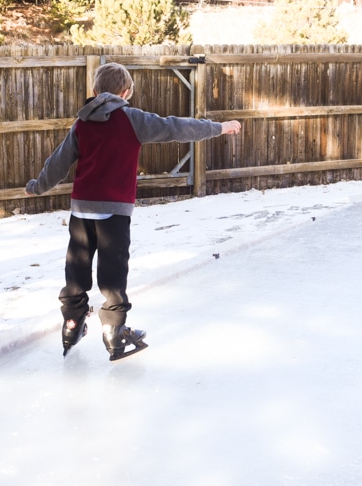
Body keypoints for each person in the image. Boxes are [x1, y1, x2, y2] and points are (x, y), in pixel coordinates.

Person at [26, 62, 241, 360]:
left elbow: (58, 164)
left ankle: (72, 323)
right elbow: (176, 127)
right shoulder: (132, 119)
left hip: (81, 212)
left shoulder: (82, 123)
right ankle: (114, 333)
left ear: (94, 91)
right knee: (113, 274)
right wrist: (218, 128)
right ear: (125, 93)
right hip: (113, 213)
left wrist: (37, 186)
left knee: (76, 271)